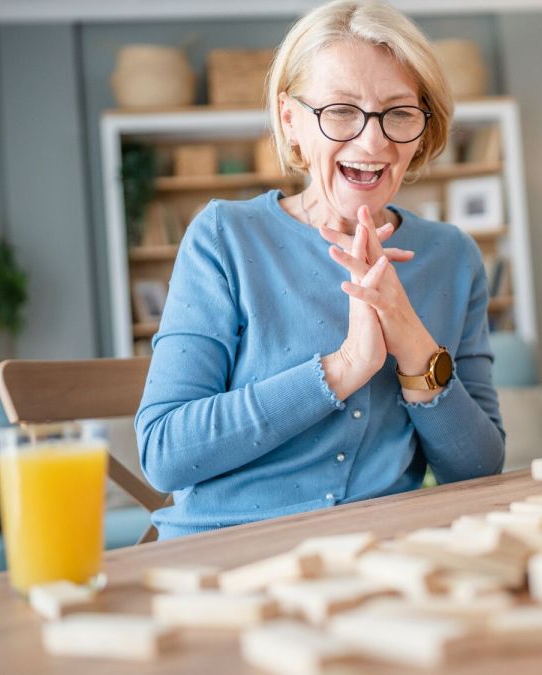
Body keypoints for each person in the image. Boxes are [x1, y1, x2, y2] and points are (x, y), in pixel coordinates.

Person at [135, 0, 504, 539]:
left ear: (423, 129)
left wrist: (412, 342)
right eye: (340, 111)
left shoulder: (452, 256)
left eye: (399, 112)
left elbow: (477, 468)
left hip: (385, 551)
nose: (372, 141)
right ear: (291, 121)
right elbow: (164, 453)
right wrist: (346, 365)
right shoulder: (225, 237)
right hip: (229, 553)